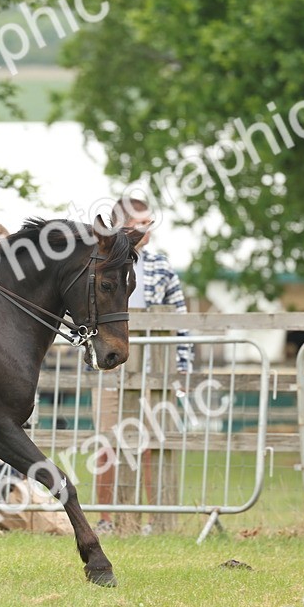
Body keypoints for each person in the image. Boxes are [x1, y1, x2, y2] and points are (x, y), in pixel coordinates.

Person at [94, 197, 193, 533]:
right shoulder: (99, 264)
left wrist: (181, 369)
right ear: (121, 224)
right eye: (141, 223)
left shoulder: (161, 267)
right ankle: (107, 518)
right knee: (108, 442)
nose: (148, 229)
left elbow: (180, 322)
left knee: (150, 443)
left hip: (154, 372)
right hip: (112, 368)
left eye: (150, 223)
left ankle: (154, 518)